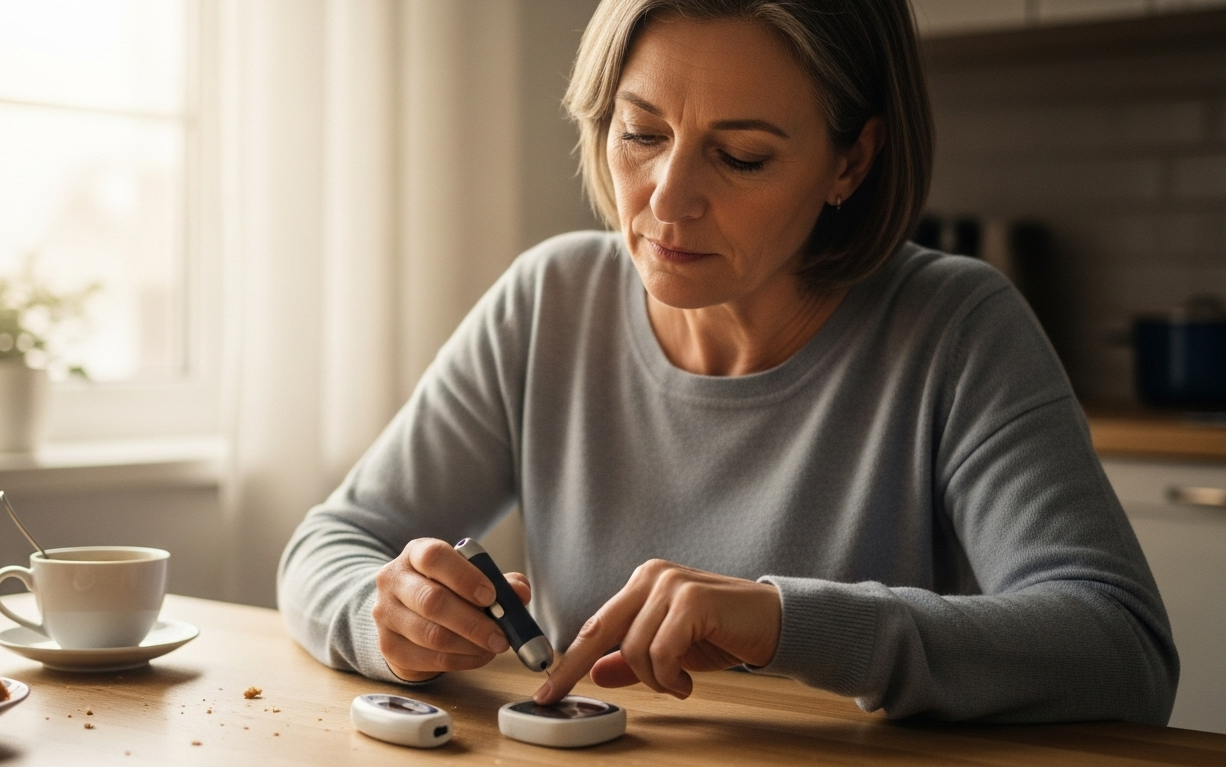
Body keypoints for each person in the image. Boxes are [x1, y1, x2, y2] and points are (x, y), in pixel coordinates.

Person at [278, 0, 1179, 724]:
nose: (668, 201)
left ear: (851, 162)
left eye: (741, 157)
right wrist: (385, 614)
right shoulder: (548, 298)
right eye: (641, 135)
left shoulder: (955, 327)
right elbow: (327, 543)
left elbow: (1121, 648)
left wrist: (791, 620)